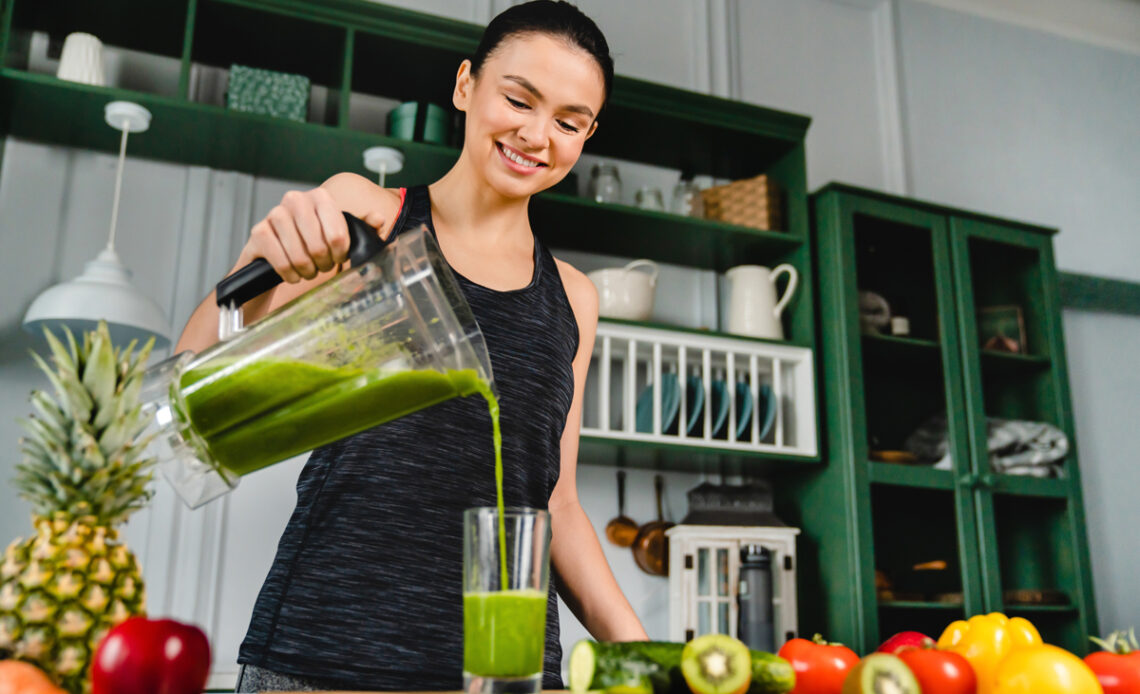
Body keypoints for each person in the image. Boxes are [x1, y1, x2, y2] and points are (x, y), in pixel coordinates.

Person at [174, 1, 649, 691]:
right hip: (322, 655)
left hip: (502, 670)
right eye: (519, 98)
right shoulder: (369, 217)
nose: (538, 135)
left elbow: (558, 506)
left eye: (569, 122)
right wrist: (255, 267)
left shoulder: (573, 297)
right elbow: (196, 395)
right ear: (465, 86)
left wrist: (643, 654)